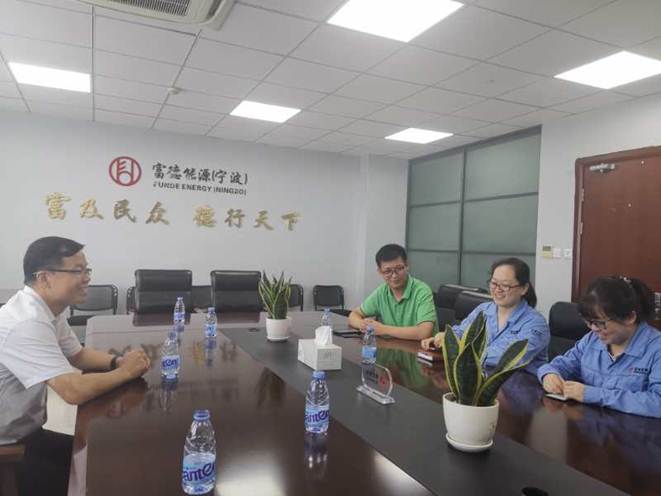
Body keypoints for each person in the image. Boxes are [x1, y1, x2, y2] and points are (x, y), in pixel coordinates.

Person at [0, 237, 151, 496]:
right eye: (78, 271)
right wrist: (126, 372)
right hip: (8, 447)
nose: (87, 278)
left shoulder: (48, 310)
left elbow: (78, 355)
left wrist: (117, 361)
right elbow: (73, 390)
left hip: (28, 432)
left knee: (100, 457)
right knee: (94, 478)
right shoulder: (26, 322)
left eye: (87, 270)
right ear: (45, 278)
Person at [538, 276, 661, 418]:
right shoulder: (592, 339)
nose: (593, 328)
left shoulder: (656, 348)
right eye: (588, 322)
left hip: (635, 430)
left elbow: (657, 403)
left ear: (629, 317)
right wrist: (549, 374)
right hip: (592, 425)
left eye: (600, 323)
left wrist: (593, 394)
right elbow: (561, 365)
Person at [421, 257, 549, 374]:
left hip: (520, 387)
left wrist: (456, 349)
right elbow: (461, 332)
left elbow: (507, 357)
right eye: (494, 283)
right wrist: (445, 338)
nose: (497, 289)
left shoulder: (536, 323)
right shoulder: (483, 309)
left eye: (505, 285)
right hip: (478, 379)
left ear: (524, 288)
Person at [348, 244, 437, 340]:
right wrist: (363, 325)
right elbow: (354, 314)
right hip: (392, 347)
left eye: (399, 269)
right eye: (387, 271)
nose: (394, 276)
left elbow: (424, 332)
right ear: (380, 272)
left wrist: (383, 329)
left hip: (418, 348)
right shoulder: (382, 292)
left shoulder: (422, 291)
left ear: (407, 265)